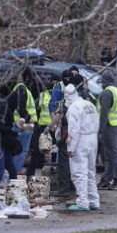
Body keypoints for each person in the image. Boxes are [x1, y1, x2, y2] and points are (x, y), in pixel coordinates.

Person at [64, 84, 100, 211]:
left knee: (79, 172)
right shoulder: (89, 104)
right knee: (90, 172)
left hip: (81, 140)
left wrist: (71, 148)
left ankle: (82, 202)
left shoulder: (73, 108)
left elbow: (74, 130)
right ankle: (94, 201)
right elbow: (97, 123)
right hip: (92, 138)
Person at [48, 68, 79, 198]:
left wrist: (51, 125)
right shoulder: (82, 99)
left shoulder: (69, 103)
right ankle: (73, 187)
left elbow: (60, 113)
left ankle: (64, 188)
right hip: (79, 133)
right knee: (75, 161)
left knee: (65, 160)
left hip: (69, 131)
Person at [97, 71, 117, 190]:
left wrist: (100, 130)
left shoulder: (107, 93)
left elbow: (104, 113)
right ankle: (107, 179)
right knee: (109, 154)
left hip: (109, 126)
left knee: (113, 154)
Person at [8, 67, 38, 175]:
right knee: (21, 151)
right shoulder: (22, 89)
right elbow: (21, 107)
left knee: (17, 150)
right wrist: (28, 121)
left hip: (19, 124)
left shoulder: (18, 88)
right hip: (23, 126)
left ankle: (13, 172)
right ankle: (16, 172)